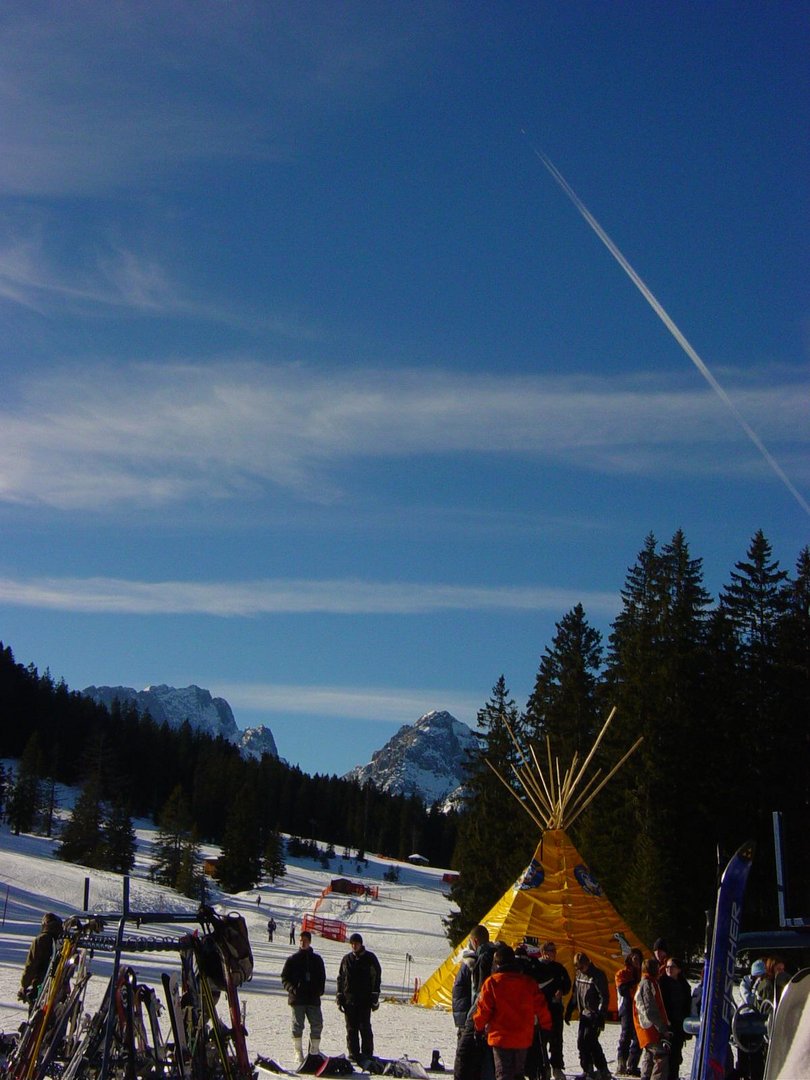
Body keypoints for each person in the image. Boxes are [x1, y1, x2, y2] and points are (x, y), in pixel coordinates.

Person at [473, 945, 552, 1080]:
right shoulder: (528, 982)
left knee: (503, 1074)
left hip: (501, 1038)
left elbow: (484, 1009)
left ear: (497, 963)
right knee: (518, 1073)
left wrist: (478, 1028)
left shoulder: (492, 983)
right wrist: (546, 1027)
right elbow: (541, 1006)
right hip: (522, 1037)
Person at [453, 925, 498, 1080]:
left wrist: (463, 1023)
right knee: (490, 1063)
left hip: (474, 1019)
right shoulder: (497, 958)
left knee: (468, 1061)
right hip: (496, 1022)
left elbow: (459, 992)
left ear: (474, 941)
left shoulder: (470, 961)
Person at [281, 929, 326, 1064]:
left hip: (313, 998)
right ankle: (298, 1051)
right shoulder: (292, 960)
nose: (303, 943)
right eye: (301, 940)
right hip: (298, 999)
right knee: (297, 1025)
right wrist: (292, 989)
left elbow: (322, 978)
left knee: (317, 1024)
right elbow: (284, 978)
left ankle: (314, 1051)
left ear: (310, 942)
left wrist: (319, 990)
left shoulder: (317, 960)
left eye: (305, 940)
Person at [336, 932, 382, 1063]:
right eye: (352, 944)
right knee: (351, 1028)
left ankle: (367, 1053)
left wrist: (375, 995)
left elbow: (376, 976)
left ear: (361, 944)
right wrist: (339, 995)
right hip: (349, 1000)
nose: (354, 946)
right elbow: (341, 978)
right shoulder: (346, 959)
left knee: (365, 1027)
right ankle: (353, 1053)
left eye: (356, 943)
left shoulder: (370, 958)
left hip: (364, 1000)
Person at [565, 951, 610, 1080]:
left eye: (581, 967)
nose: (580, 970)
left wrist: (601, 1016)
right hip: (584, 1014)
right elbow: (575, 993)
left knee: (590, 1042)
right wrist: (569, 1010)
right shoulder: (579, 974)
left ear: (587, 963)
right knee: (581, 1042)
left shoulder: (597, 975)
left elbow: (604, 997)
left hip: (594, 1015)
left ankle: (602, 1069)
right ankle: (588, 1069)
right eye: (577, 967)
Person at [532, 940, 571, 1080]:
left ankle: (557, 1067)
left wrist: (562, 990)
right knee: (540, 1041)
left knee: (556, 1040)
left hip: (555, 1010)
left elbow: (567, 984)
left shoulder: (559, 968)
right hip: (540, 1010)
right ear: (543, 952)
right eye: (551, 950)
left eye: (555, 950)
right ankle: (542, 1068)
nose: (554, 953)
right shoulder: (536, 966)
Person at [632, 958, 671, 1080]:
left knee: (649, 1055)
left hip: (646, 1027)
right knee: (661, 1056)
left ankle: (645, 1077)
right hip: (649, 1027)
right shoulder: (648, 983)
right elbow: (650, 1010)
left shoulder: (648, 982)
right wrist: (662, 1028)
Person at [18, 912, 63, 1011]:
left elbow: (31, 965)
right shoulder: (63, 941)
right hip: (59, 988)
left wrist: (24, 985)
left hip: (40, 987)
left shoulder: (40, 940)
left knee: (36, 1018)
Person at [659, 959, 691, 1080]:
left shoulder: (684, 985)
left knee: (676, 1055)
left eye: (672, 966)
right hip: (666, 1024)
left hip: (679, 1024)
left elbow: (687, 1005)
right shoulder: (662, 983)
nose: (669, 969)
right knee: (664, 1056)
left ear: (679, 969)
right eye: (667, 966)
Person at [615, 948, 643, 1077]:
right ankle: (621, 1062)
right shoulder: (622, 973)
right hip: (626, 1007)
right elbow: (623, 990)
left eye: (638, 959)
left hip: (640, 1008)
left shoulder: (643, 974)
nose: (636, 961)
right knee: (625, 1036)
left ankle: (632, 1065)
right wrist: (635, 982)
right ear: (630, 959)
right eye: (634, 958)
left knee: (639, 1038)